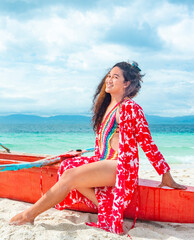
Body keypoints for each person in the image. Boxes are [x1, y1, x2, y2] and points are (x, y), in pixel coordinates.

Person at [10, 61, 186, 234]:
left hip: (120, 167)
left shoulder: (129, 107)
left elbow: (147, 142)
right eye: (108, 76)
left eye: (115, 77)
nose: (109, 80)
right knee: (68, 167)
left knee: (70, 176)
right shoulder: (108, 106)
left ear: (127, 83)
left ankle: (29, 215)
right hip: (104, 161)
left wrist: (166, 175)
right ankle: (105, 207)